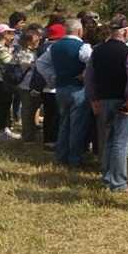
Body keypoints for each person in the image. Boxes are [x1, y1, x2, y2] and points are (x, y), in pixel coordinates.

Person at [85, 15, 128, 192]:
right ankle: (118, 182)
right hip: (122, 101)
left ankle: (107, 176)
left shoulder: (97, 50)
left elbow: (89, 77)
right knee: (121, 142)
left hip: (102, 99)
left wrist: (93, 99)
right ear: (125, 32)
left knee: (106, 140)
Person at [37, 19, 93, 167]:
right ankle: (74, 158)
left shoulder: (55, 47)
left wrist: (53, 78)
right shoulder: (83, 47)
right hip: (77, 88)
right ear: (79, 31)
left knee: (63, 123)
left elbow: (41, 63)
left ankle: (61, 156)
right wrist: (85, 74)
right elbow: (93, 62)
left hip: (61, 89)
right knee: (77, 125)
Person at [0, 23, 21, 141]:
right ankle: (3, 130)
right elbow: (9, 62)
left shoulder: (3, 46)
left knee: (6, 103)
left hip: (2, 79)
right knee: (4, 104)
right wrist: (15, 54)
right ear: (3, 34)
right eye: (10, 33)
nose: (13, 35)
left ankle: (6, 129)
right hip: (1, 80)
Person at [15, 30, 42, 142]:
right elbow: (25, 66)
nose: (38, 41)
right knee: (27, 111)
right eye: (36, 39)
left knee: (33, 109)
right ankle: (27, 135)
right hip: (26, 85)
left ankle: (31, 133)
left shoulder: (35, 51)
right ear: (28, 41)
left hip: (32, 85)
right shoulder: (23, 53)